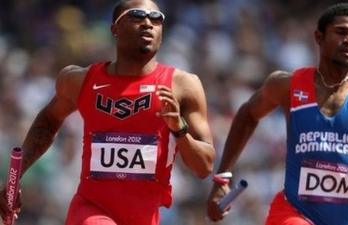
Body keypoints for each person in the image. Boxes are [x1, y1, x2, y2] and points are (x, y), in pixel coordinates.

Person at [0, 0, 216, 224]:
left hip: (144, 217)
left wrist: (180, 130)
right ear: (114, 28)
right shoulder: (80, 81)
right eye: (137, 16)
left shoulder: (183, 86)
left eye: (156, 19)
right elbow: (48, 121)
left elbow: (204, 166)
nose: (147, 24)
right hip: (90, 211)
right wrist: (15, 177)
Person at [207, 3, 348, 225]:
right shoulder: (287, 85)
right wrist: (222, 178)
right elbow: (248, 114)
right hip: (291, 214)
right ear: (319, 37)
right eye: (341, 32)